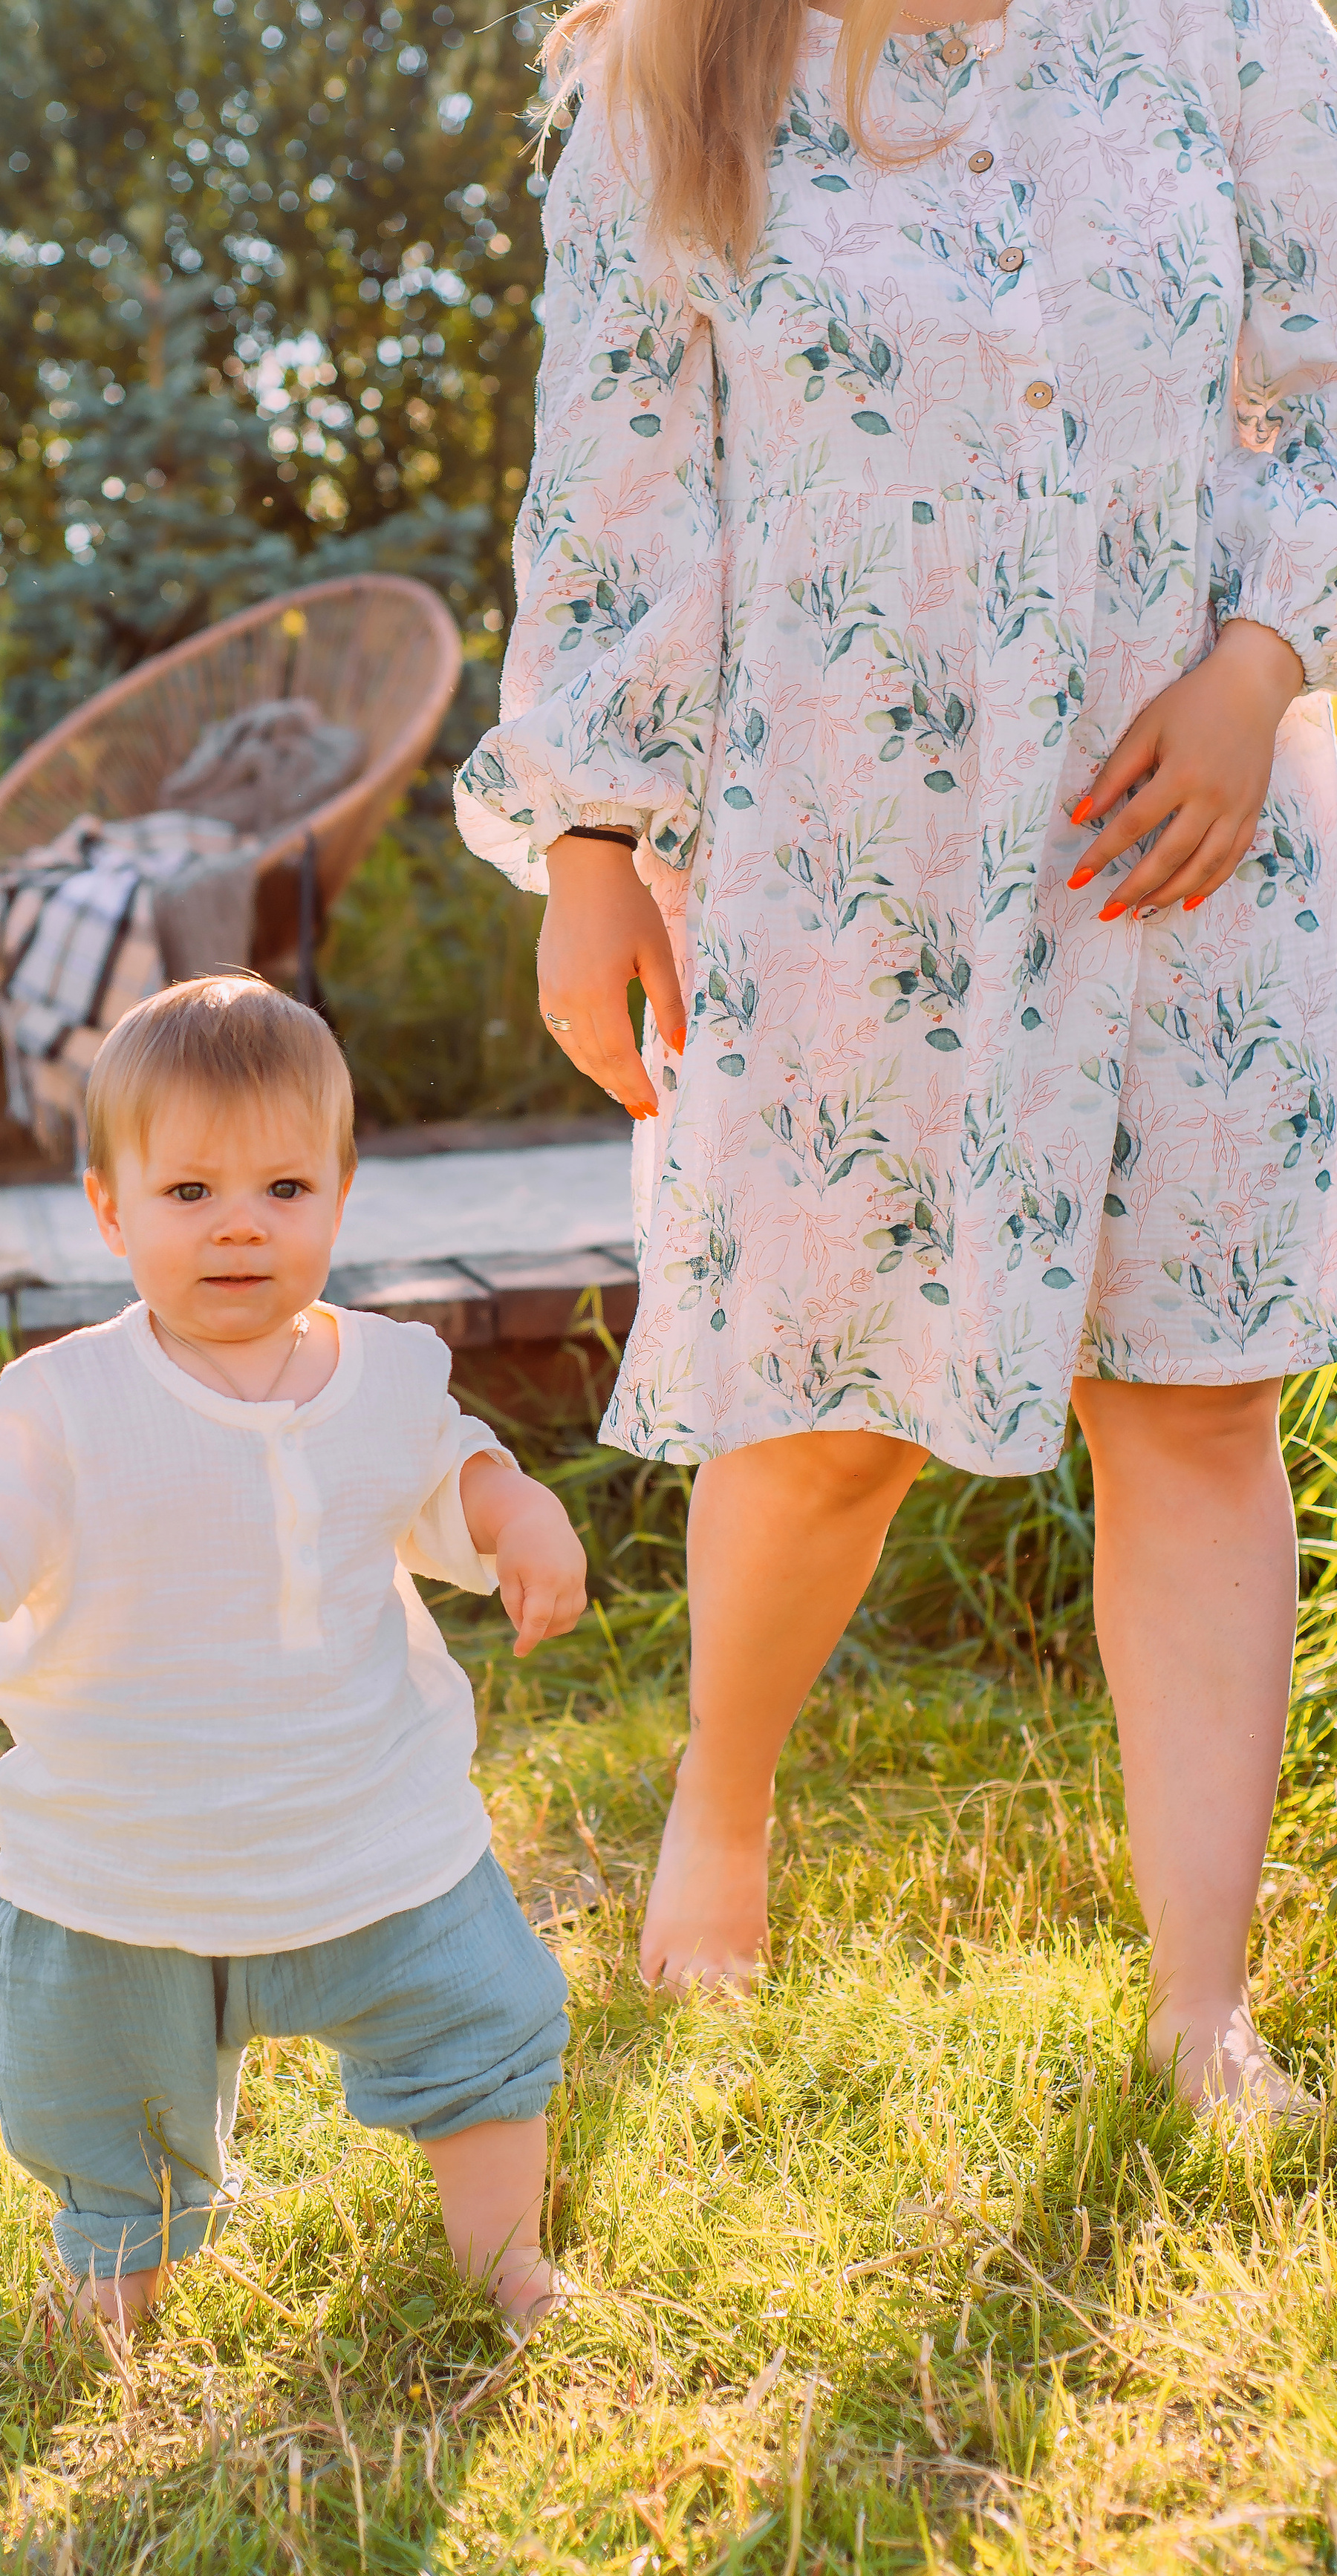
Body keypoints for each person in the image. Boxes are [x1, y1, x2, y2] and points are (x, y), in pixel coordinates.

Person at [457, 0, 1337, 2114]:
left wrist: (1260, 661)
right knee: (827, 1417)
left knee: (1200, 1406)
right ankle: (726, 1801)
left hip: (1183, 841)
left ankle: (1198, 2006)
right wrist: (588, 844)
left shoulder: (1232, 32)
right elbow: (620, 475)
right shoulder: (680, 75)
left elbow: (1314, 388)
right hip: (842, 861)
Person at [0, 976, 588, 2333]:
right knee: (105, 2097)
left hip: (373, 1838)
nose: (240, 1222)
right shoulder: (68, 1404)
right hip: (128, 1864)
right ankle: (119, 2280)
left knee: (481, 2033)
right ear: (109, 1208)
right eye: (189, 1194)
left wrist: (519, 1519)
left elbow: (449, 1476)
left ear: (342, 1197)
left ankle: (506, 2258)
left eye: (285, 1187)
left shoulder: (390, 1373)